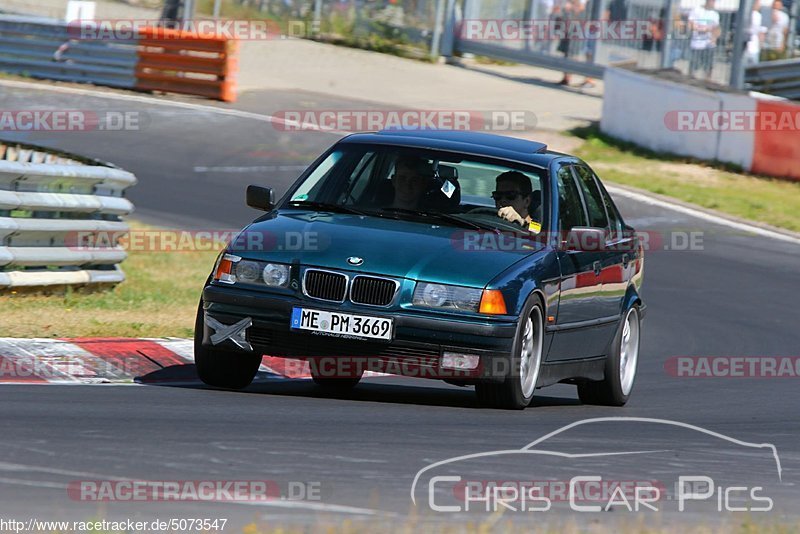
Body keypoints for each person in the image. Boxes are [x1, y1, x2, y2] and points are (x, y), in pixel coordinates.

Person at [688, 0, 720, 79]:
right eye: (712, 1)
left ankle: (707, 82)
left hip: (709, 44)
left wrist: (714, 37)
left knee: (708, 67)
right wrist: (701, 29)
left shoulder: (715, 14)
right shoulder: (696, 10)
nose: (713, 3)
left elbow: (716, 28)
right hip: (697, 44)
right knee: (693, 67)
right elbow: (690, 24)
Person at [745, 0, 766, 65]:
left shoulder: (745, 14)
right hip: (754, 46)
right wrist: (761, 46)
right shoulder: (759, 16)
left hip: (744, 46)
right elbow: (761, 33)